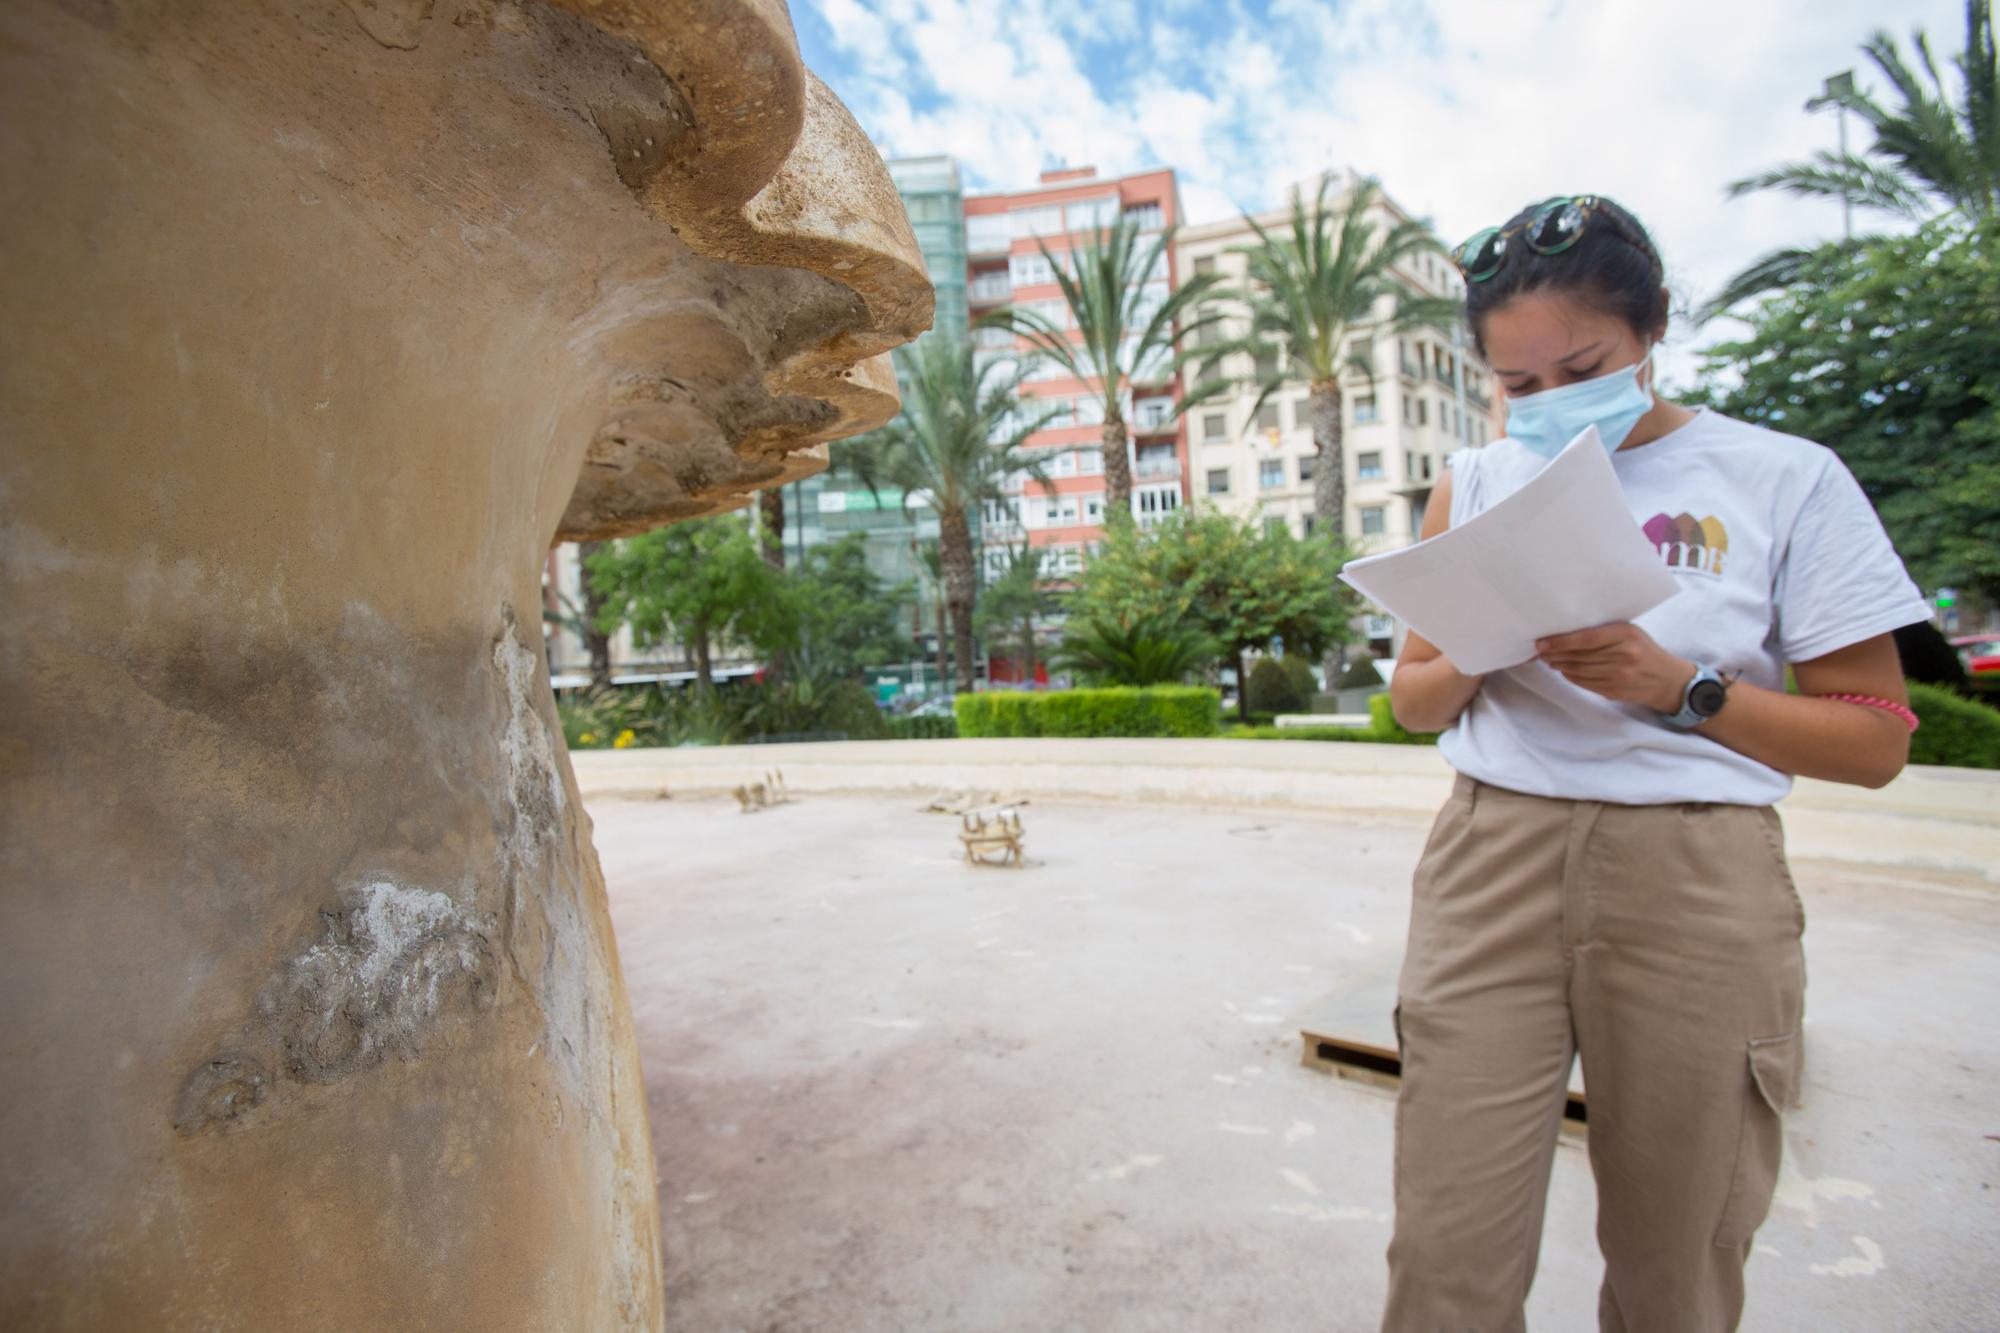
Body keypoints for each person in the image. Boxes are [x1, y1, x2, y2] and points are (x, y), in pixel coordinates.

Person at [1382, 195, 1929, 1332]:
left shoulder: (1784, 478)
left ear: (1651, 330)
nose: (1543, 404)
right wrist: (1484, 647)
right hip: (1492, 854)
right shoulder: (1472, 484)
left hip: (1694, 873)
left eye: (1577, 366)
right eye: (1516, 385)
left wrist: (1675, 685)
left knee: (1674, 1251)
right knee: (1445, 1250)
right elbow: (1410, 696)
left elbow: (1875, 735)